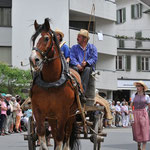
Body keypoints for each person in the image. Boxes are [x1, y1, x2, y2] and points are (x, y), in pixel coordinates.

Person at [70, 29, 98, 94]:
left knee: (87, 69)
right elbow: (72, 58)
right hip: (77, 67)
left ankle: (82, 91)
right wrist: (78, 65)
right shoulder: (74, 47)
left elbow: (94, 58)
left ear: (85, 39)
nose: (77, 38)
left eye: (79, 36)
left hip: (88, 68)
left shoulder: (92, 48)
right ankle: (74, 87)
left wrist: (86, 63)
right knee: (74, 69)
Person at [130, 81, 150, 150]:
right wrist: (131, 113)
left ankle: (143, 148)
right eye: (137, 86)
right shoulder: (133, 95)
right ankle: (139, 144)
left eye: (139, 86)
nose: (137, 87)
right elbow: (131, 105)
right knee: (137, 130)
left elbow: (149, 106)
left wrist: (147, 112)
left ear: (142, 88)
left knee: (144, 129)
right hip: (135, 113)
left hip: (143, 113)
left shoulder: (146, 96)